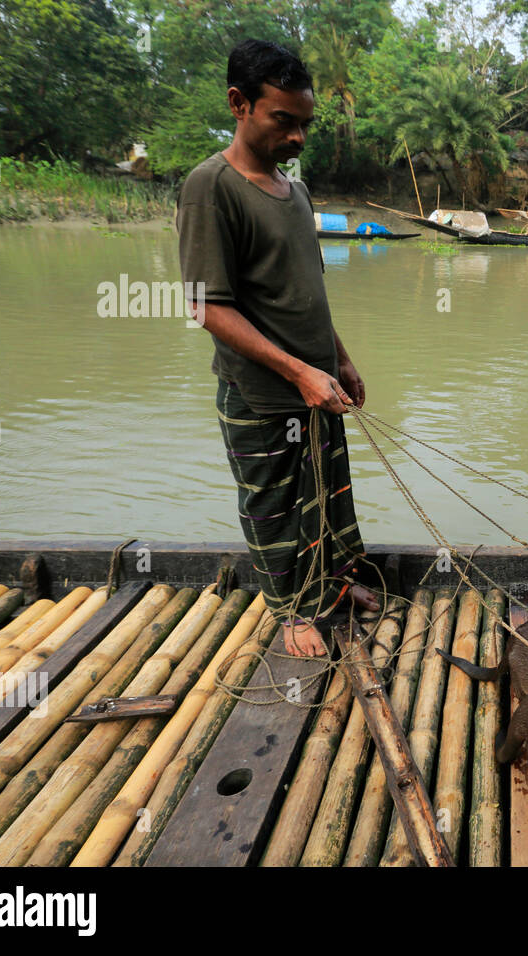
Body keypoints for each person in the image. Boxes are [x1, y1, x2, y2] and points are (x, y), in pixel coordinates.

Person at [177, 39, 379, 657]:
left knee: (323, 497)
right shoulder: (210, 188)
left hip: (315, 384)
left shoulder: (295, 193)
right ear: (240, 104)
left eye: (304, 125)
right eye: (282, 121)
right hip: (263, 394)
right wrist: (297, 372)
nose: (297, 138)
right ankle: (292, 612)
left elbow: (307, 288)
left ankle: (332, 589)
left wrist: (338, 359)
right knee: (274, 507)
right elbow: (206, 305)